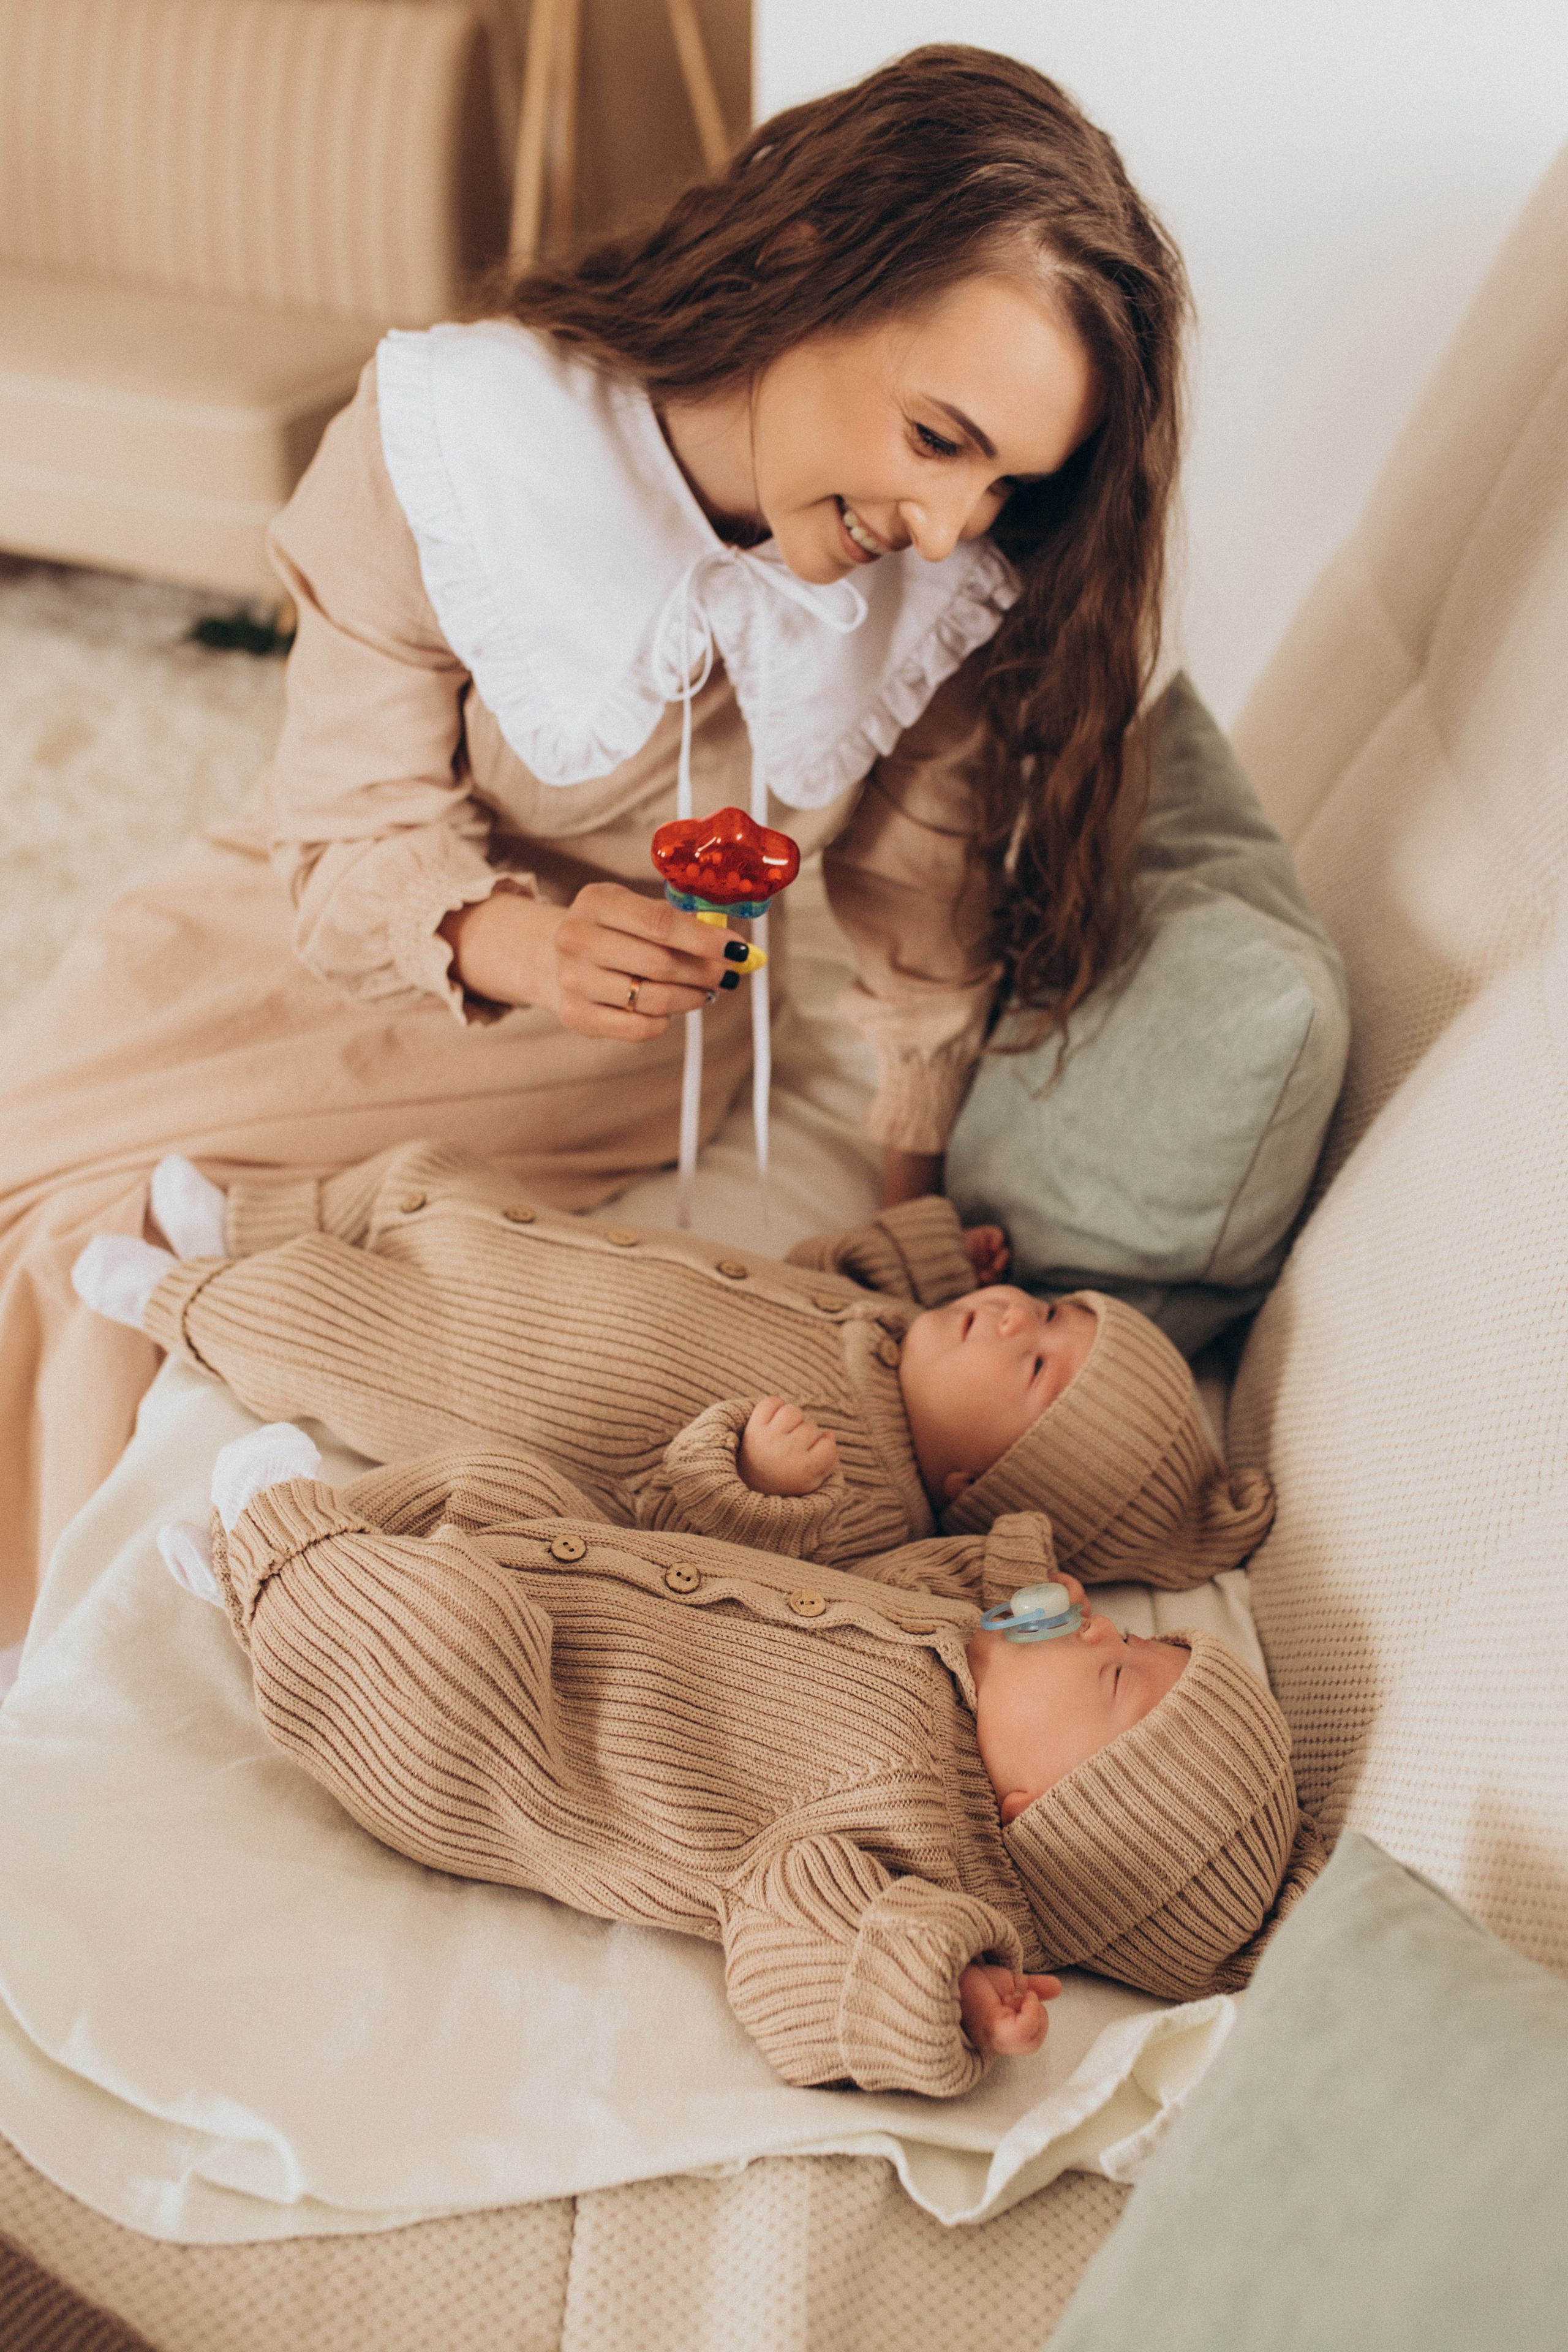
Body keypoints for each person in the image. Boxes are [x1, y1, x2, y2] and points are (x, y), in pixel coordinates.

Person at [0, 44, 1189, 1643]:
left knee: (134, 1270)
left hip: (593, 1076)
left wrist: (902, 1237)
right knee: (36, 1182)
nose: (955, 522)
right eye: (936, 437)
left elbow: (921, 929)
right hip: (307, 945)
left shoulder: (936, 600)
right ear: (799, 265)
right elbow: (347, 818)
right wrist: (526, 943)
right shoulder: (458, 442)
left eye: (1003, 485)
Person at [158, 1420, 1322, 2097]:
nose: (1113, 1629)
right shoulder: (954, 1655)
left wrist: (942, 1986)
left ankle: (278, 1552)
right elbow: (906, 1581)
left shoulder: (923, 1846)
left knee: (444, 1644)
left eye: (1122, 1678)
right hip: (570, 1567)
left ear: (1037, 1807)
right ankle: (277, 1571)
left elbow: (791, 1937)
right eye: (1147, 1634)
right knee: (495, 1480)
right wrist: (763, 1494)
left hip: (514, 1737)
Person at [74, 1139, 1273, 1581]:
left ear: (969, 1489)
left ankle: (184, 1296)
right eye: (1051, 1311)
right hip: (531, 1252)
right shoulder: (887, 1327)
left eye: (1033, 1370)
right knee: (425, 1177)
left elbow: (692, 1538)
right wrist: (919, 1249)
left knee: (323, 1322)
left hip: (479, 1362)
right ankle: (245, 1219)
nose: (1016, 1320)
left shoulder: (860, 1506)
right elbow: (819, 1257)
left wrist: (750, 1471)